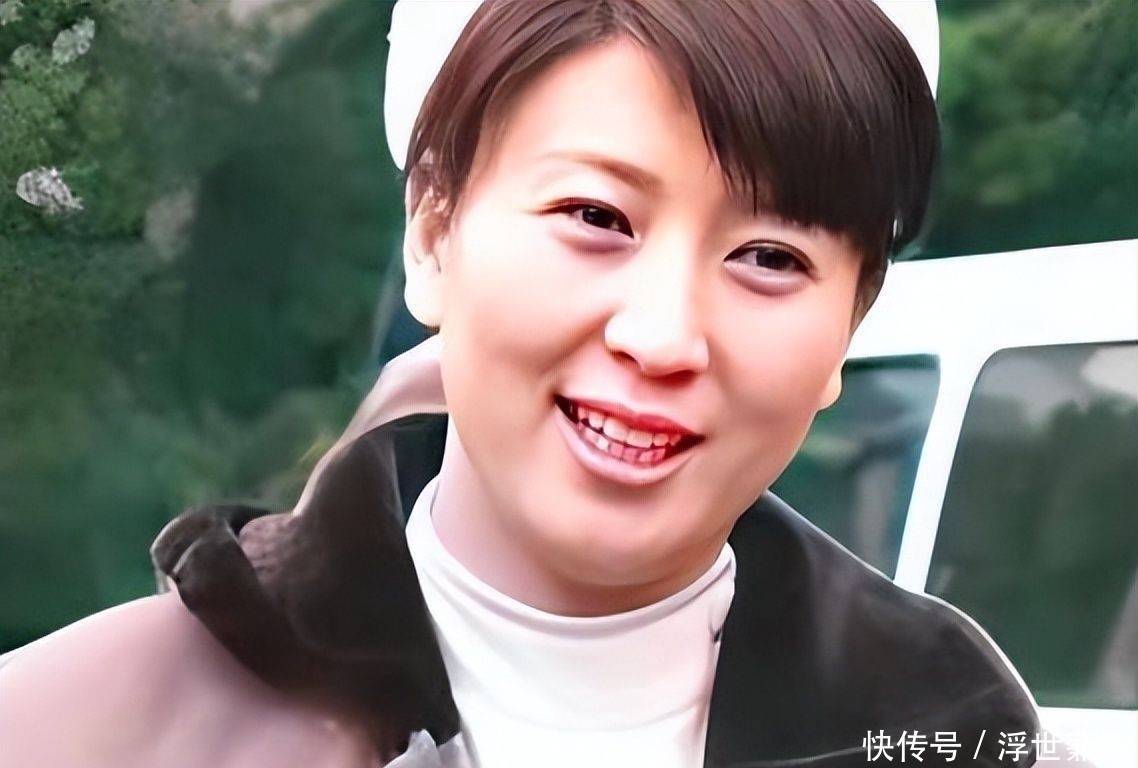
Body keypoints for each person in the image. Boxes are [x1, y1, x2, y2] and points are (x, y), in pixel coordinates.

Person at [0, 1, 1043, 767]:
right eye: (596, 217)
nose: (662, 337)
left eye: (770, 257)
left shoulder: (960, 738)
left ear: (851, 321)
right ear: (433, 232)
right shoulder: (68, 730)